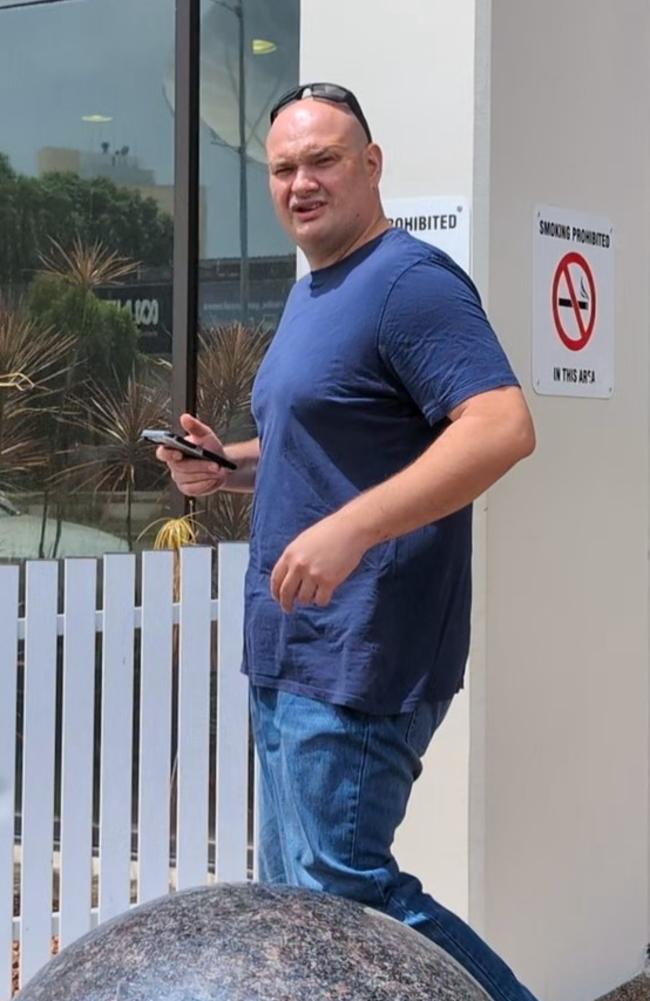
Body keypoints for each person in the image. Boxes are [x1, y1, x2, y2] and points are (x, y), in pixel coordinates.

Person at [158, 82, 537, 1001]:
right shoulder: (315, 291)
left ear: (372, 166)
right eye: (284, 168)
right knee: (298, 906)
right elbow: (327, 446)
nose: (300, 182)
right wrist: (228, 465)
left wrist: (353, 526)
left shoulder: (409, 283)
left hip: (365, 650)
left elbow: (500, 427)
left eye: (323, 159)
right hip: (289, 648)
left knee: (349, 894)